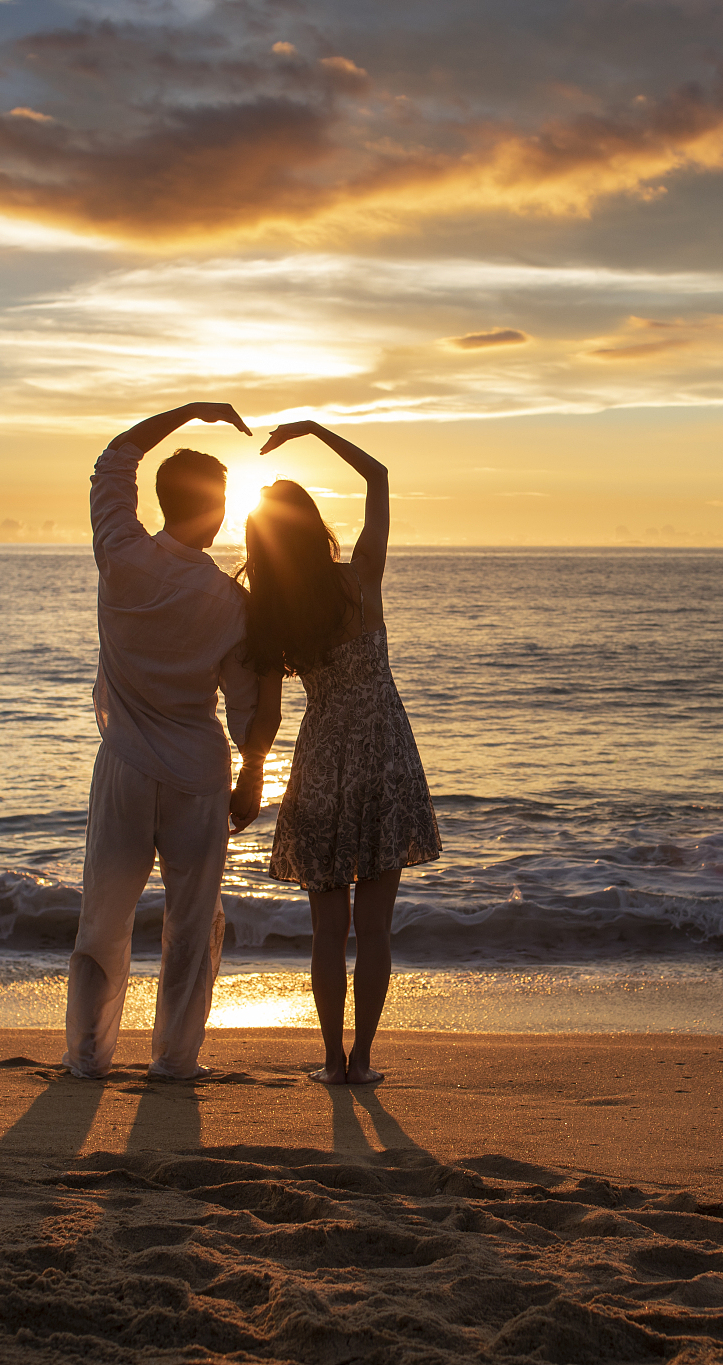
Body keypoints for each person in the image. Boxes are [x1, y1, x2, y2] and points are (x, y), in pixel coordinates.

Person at [65, 402, 284, 1082]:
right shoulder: (230, 601)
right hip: (196, 773)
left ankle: (87, 1056)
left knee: (105, 913)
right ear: (218, 512)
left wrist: (189, 412)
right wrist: (251, 780)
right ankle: (175, 1058)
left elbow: (113, 458)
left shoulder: (121, 557)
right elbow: (248, 706)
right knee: (192, 922)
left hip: (126, 768)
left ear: (163, 500)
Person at [236, 419, 441, 1085]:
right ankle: (363, 1061)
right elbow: (379, 477)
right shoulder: (360, 581)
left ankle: (330, 1059)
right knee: (374, 928)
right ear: (314, 526)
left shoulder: (273, 614)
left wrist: (250, 776)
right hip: (383, 753)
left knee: (329, 930)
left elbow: (266, 714)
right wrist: (313, 429)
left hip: (322, 760)